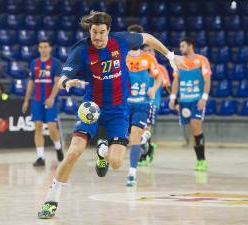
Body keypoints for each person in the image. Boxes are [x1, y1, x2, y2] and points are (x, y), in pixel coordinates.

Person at [37, 11, 186, 219]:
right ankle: (51, 200)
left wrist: (170, 57)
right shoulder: (81, 50)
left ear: (109, 31)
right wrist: (66, 83)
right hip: (92, 108)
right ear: (89, 30)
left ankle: (102, 153)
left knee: (116, 163)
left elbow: (149, 38)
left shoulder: (121, 41)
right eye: (94, 32)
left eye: (101, 32)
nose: (97, 37)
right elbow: (64, 76)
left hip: (118, 111)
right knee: (73, 152)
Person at [168, 37, 212, 171]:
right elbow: (176, 81)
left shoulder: (202, 60)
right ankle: (199, 159)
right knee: (193, 130)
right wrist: (173, 97)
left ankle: (202, 160)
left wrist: (204, 98)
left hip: (196, 99)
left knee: (195, 124)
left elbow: (207, 80)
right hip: (184, 101)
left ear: (190, 46)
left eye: (183, 46)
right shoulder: (179, 61)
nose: (181, 49)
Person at [124, 42, 163, 186]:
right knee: (128, 139)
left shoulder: (149, 59)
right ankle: (144, 141)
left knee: (137, 134)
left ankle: (132, 173)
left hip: (143, 103)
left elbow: (160, 78)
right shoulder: (122, 58)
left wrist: (153, 88)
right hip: (125, 105)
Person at [22, 40, 64, 166]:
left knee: (52, 127)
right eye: (41, 47)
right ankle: (40, 157)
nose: (43, 49)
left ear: (50, 48)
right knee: (38, 127)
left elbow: (57, 82)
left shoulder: (56, 63)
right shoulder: (34, 63)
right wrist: (26, 100)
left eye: (46, 47)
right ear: (39, 49)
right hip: (37, 100)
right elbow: (31, 82)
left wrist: (52, 97)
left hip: (50, 100)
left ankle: (58, 147)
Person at [138, 44, 171, 166]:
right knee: (140, 129)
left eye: (150, 50)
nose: (148, 53)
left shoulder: (160, 69)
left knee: (145, 128)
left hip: (153, 103)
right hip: (138, 103)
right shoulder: (139, 67)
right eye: (145, 51)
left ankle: (145, 154)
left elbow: (167, 87)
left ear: (155, 53)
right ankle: (149, 148)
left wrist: (174, 100)